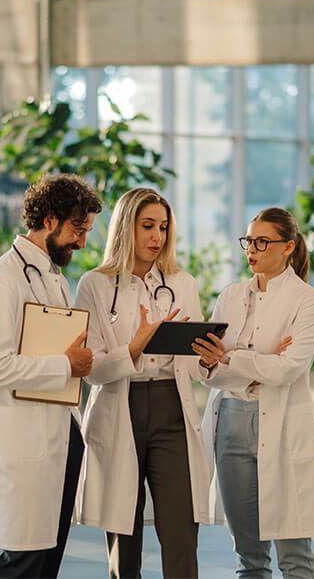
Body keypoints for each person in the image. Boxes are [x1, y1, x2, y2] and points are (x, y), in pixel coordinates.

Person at [0, 173, 103, 579]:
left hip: (61, 437)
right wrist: (66, 365)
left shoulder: (53, 277)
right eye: (77, 229)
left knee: (46, 561)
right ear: (49, 220)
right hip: (24, 442)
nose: (81, 242)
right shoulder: (3, 280)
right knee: (23, 561)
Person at [75, 188, 216, 579]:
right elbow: (92, 370)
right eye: (148, 226)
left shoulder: (181, 282)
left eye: (164, 227)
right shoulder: (94, 285)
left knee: (182, 535)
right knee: (124, 537)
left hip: (172, 410)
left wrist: (206, 355)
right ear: (125, 228)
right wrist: (135, 347)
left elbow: (197, 366)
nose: (157, 237)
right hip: (121, 407)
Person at [191, 207, 314, 579]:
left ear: (288, 247)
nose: (252, 249)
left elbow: (289, 369)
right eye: (248, 241)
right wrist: (251, 365)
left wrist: (231, 360)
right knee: (249, 557)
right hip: (230, 426)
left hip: (282, 426)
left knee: (295, 556)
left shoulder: (308, 300)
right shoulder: (230, 296)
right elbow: (207, 371)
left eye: (262, 241)